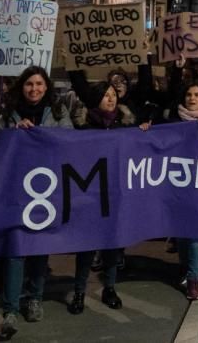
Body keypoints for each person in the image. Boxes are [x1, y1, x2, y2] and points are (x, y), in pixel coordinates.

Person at [0, 65, 73, 337]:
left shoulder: (59, 113)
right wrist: (14, 132)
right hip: (16, 191)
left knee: (40, 247)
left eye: (39, 84)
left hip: (46, 190)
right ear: (21, 86)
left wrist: (44, 135)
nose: (34, 89)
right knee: (16, 250)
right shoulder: (7, 115)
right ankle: (10, 310)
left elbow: (70, 142)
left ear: (47, 87)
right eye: (29, 84)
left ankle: (35, 298)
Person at [67, 80, 139, 315]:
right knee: (86, 247)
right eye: (105, 95)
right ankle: (79, 291)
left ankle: (109, 288)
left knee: (112, 244)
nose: (111, 98)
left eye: (113, 95)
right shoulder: (82, 128)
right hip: (89, 193)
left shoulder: (125, 126)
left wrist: (146, 133)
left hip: (116, 193)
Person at [171, 82, 198, 301]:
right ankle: (186, 269)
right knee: (181, 232)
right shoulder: (173, 121)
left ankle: (193, 279)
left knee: (195, 231)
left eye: (197, 94)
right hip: (178, 181)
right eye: (188, 94)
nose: (192, 98)